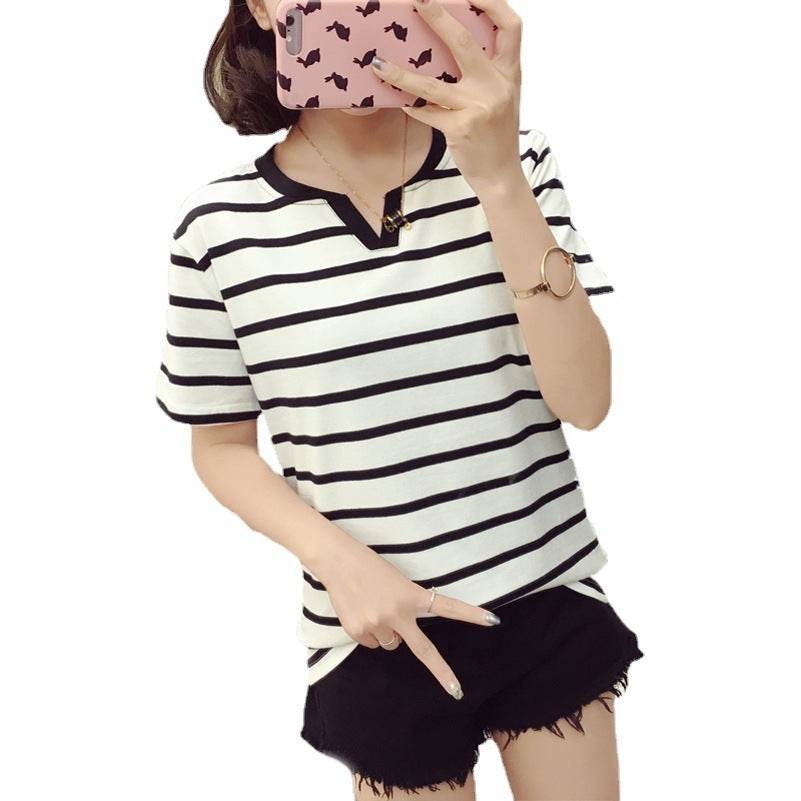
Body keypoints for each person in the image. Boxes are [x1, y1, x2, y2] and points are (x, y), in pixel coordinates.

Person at [155, 0, 645, 798]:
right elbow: (219, 448)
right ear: (262, 9)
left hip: (545, 593)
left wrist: (498, 178)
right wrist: (338, 563)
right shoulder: (218, 228)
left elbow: (585, 400)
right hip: (376, 629)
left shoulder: (518, 164)